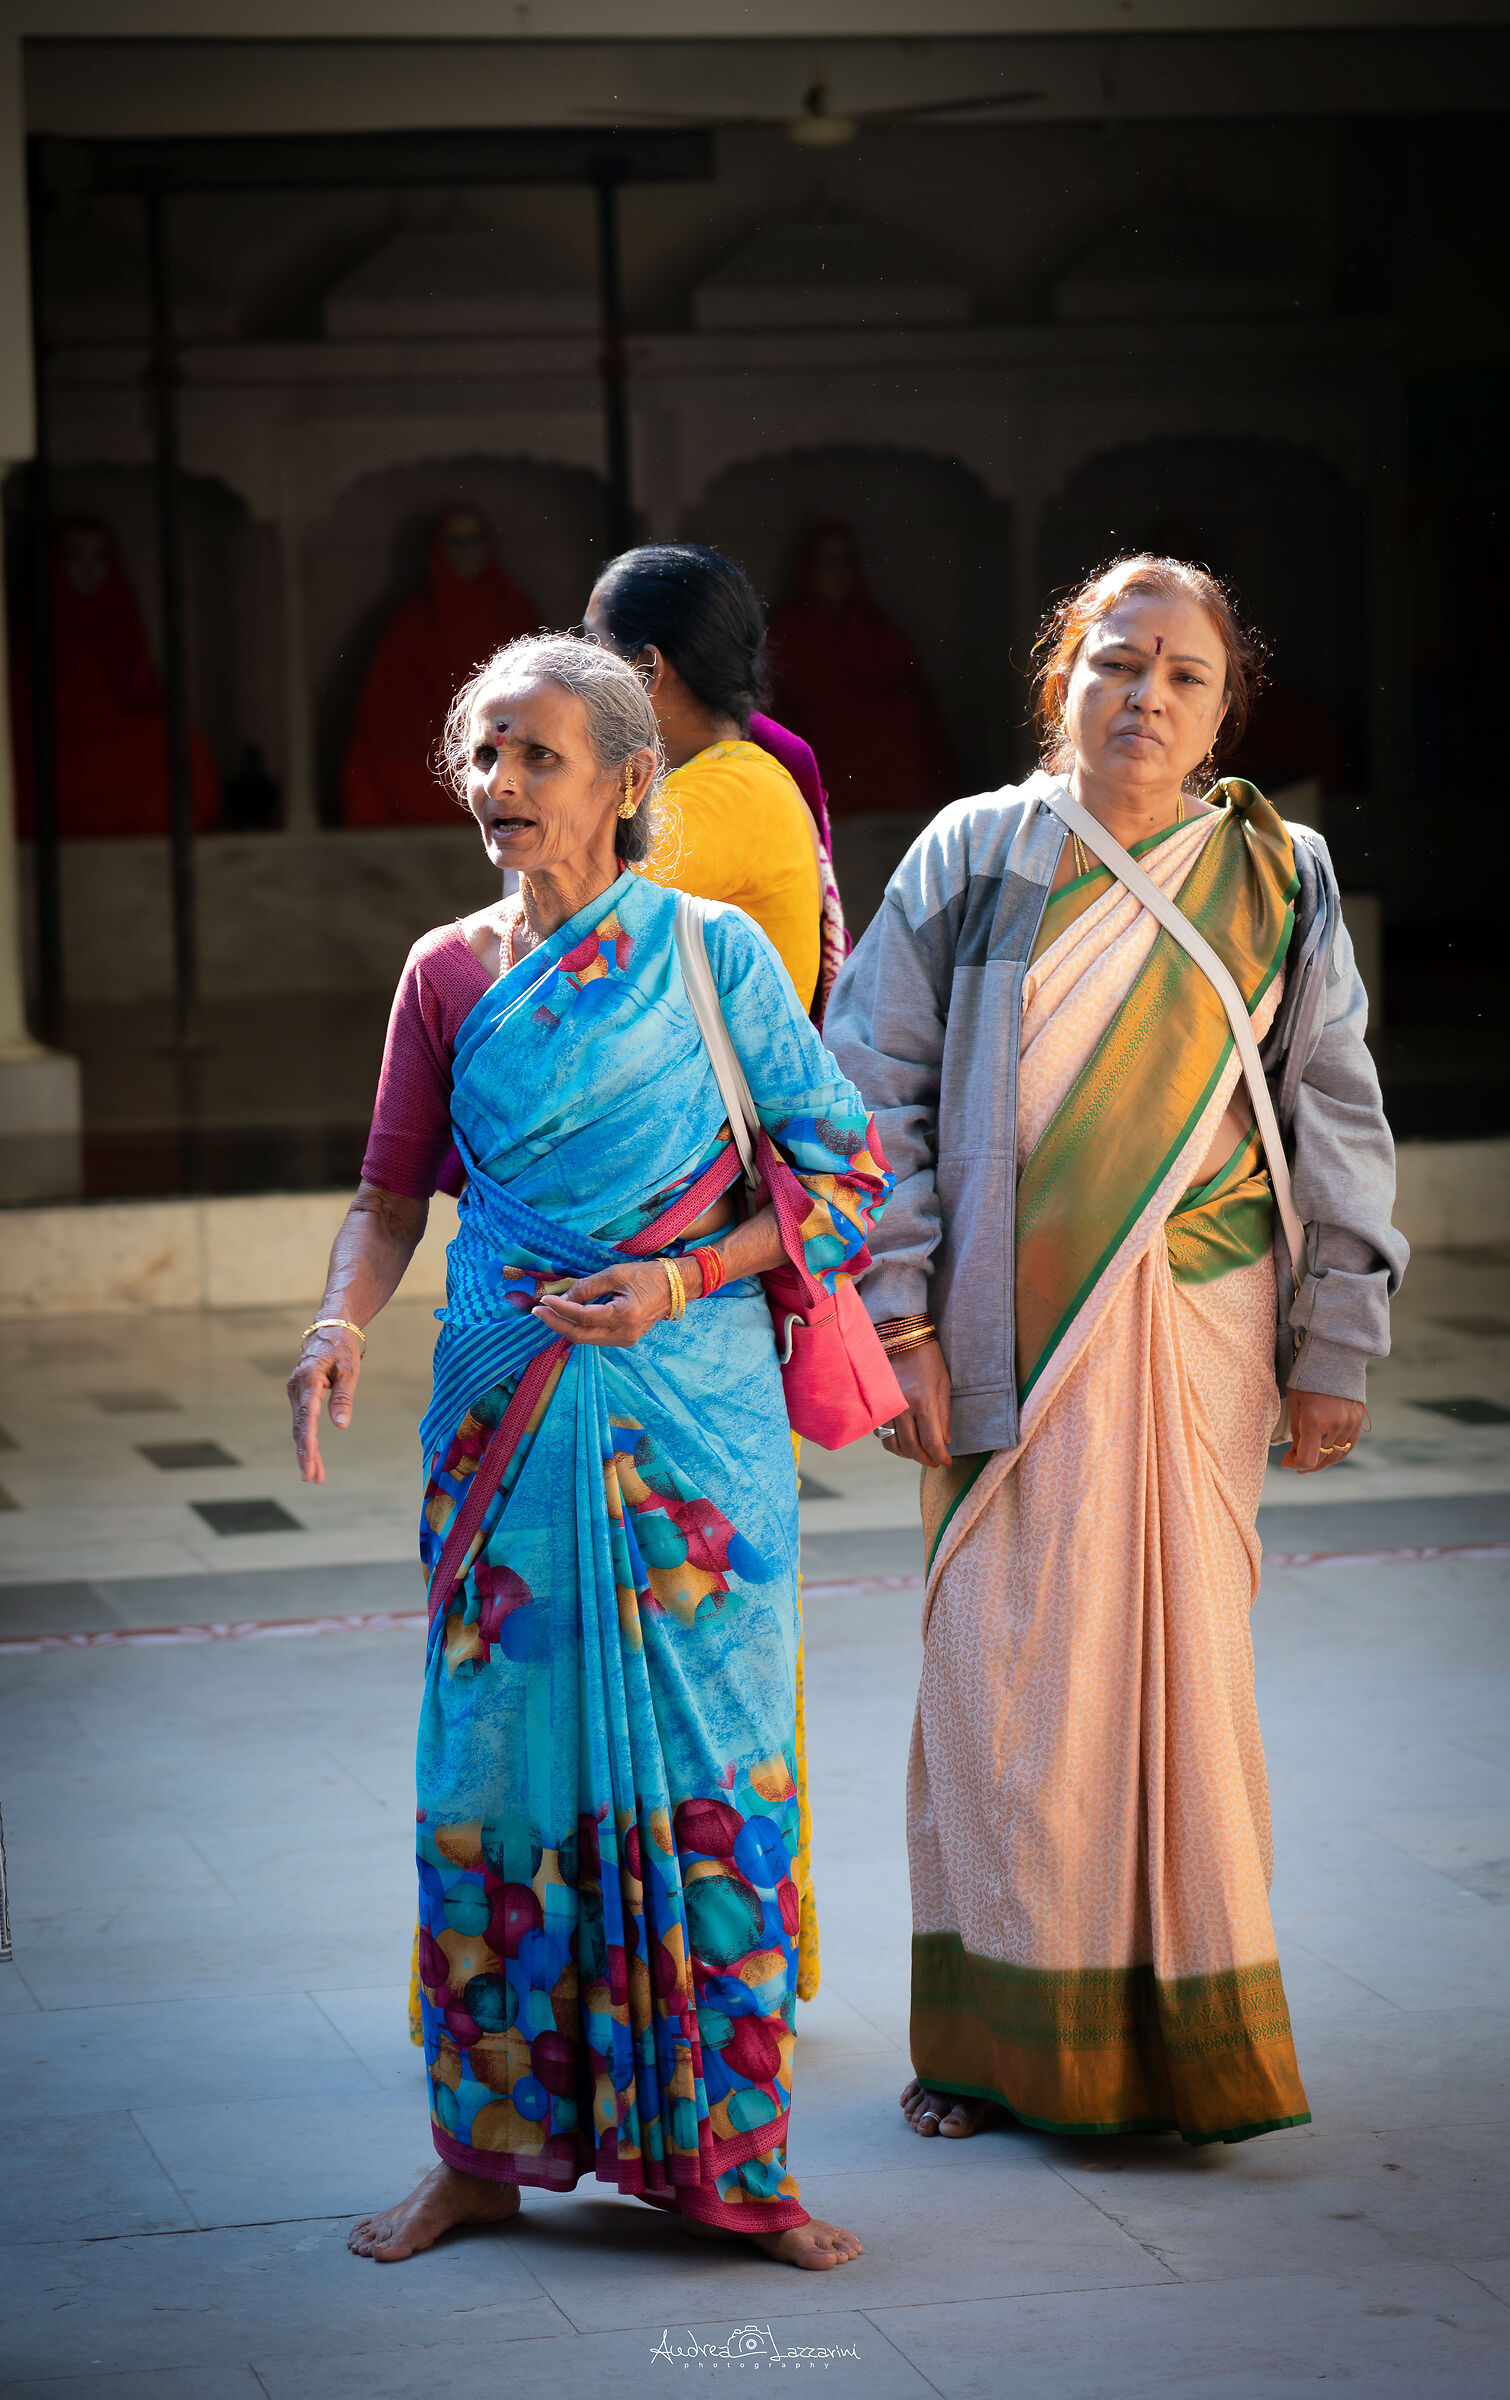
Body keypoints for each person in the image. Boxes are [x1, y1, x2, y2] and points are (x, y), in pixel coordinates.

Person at [289, 633, 891, 2267]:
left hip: (689, 1438)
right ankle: (480, 2157)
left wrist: (685, 1275)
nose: (497, 785)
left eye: (536, 757)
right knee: (489, 1782)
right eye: (482, 752)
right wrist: (343, 1320)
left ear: (630, 783)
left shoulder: (708, 957)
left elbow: (842, 1175)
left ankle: (737, 2170)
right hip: (502, 1421)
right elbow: (391, 1190)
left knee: (712, 1786)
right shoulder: (445, 975)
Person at [826, 554, 1407, 2148]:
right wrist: (899, 1320)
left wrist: (1334, 1338)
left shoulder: (1277, 873)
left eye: (1182, 672)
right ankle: (989, 2043)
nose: (1143, 693)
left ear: (1226, 708)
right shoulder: (973, 854)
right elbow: (868, 1088)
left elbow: (1332, 1106)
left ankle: (1181, 2044)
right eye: (1113, 659)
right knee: (1001, 1686)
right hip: (1007, 1341)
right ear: (1058, 678)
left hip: (1206, 1325)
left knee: (1180, 1685)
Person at [580, 543, 848, 1026]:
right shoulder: (733, 777)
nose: (575, 676)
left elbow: (565, 941)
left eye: (592, 647)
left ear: (646, 669)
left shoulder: (730, 791)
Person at [10, 516, 220, 837]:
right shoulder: (41, 616)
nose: (88, 569)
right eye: (74, 557)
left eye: (99, 557)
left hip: (114, 746)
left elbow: (143, 691)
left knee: (187, 746)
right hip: (63, 749)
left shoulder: (120, 613)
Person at [342, 509, 536, 826]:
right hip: (432, 757)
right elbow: (384, 710)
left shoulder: (514, 612)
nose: (465, 553)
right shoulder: (411, 622)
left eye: (474, 541)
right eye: (455, 542)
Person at [766, 518, 957, 822]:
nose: (838, 573)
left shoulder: (875, 627)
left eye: (846, 562)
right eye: (828, 562)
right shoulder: (787, 631)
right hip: (821, 746)